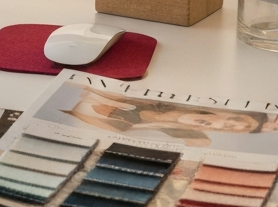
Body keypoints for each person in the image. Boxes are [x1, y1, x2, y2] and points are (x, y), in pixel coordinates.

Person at [61, 88, 278, 146]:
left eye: (230, 128)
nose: (222, 123)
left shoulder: (195, 138)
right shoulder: (175, 101)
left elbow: (75, 115)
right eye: (235, 120)